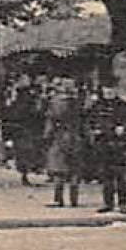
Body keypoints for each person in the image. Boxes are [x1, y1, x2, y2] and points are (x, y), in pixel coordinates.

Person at [86, 84, 126, 215]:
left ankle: (123, 203)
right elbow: (89, 121)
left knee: (120, 175)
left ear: (116, 90)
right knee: (105, 175)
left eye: (111, 89)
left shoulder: (123, 105)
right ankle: (108, 203)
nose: (109, 92)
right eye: (106, 89)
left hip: (118, 144)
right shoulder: (97, 105)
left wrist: (124, 128)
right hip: (103, 143)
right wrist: (94, 131)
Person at [43, 78, 84, 208]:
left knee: (59, 169)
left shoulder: (55, 103)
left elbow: (50, 122)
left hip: (59, 137)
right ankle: (74, 199)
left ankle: (58, 199)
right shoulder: (79, 102)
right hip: (76, 137)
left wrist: (47, 137)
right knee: (74, 169)